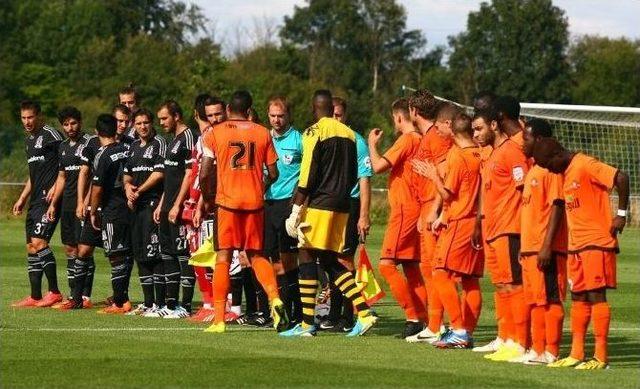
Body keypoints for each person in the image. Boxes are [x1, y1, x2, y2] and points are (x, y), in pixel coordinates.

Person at [280, 89, 377, 337]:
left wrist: (296, 207)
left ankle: (306, 324)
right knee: (329, 261)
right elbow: (353, 173)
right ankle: (364, 313)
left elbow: (308, 172)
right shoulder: (349, 134)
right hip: (343, 205)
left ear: (314, 109)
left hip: (320, 204)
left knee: (305, 255)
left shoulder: (314, 131)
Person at [534, 138, 629, 370]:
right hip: (576, 246)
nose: (549, 170)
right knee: (578, 298)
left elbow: (621, 177)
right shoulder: (563, 173)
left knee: (596, 296)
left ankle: (601, 357)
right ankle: (577, 353)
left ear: (557, 154)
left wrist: (621, 214)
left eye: (548, 164)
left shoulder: (585, 164)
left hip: (597, 243)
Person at [199, 90, 288, 334]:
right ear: (249, 110)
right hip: (255, 204)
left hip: (227, 204)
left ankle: (218, 320)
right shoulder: (262, 133)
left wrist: (208, 199)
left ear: (228, 109)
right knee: (257, 256)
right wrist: (259, 187)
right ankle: (275, 299)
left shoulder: (214, 133)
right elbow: (274, 173)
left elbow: (205, 172)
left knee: (223, 257)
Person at [411, 109, 483, 349]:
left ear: (449, 125)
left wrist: (434, 176)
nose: (438, 131)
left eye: (440, 127)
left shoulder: (458, 157)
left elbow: (447, 193)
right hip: (475, 222)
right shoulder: (480, 152)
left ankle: (459, 329)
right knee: (470, 281)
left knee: (440, 273)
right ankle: (466, 333)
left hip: (460, 222)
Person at [473, 104, 529, 362]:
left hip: (509, 228)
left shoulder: (512, 152)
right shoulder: (494, 153)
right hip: (493, 229)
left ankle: (520, 342)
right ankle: (506, 337)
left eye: (479, 128)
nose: (476, 134)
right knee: (501, 284)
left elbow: (522, 188)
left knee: (513, 285)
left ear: (494, 125)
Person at [367, 98, 425, 339]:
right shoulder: (422, 140)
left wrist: (372, 144)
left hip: (404, 210)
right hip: (416, 208)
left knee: (386, 265)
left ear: (399, 117)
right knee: (412, 268)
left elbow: (378, 165)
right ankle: (427, 319)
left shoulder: (407, 139)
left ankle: (412, 317)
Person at [514, 118, 568, 364]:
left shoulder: (551, 171)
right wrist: (524, 247)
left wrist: (546, 246)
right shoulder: (533, 171)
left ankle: (552, 351)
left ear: (539, 141)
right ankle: (537, 349)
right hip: (530, 249)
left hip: (546, 249)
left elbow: (557, 207)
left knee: (550, 299)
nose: (522, 141)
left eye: (526, 137)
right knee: (535, 301)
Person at [320, 96, 372, 333]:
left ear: (345, 116)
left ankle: (347, 315)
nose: (335, 119)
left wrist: (363, 215)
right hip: (327, 205)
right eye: (332, 115)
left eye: (339, 115)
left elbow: (364, 179)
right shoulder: (324, 138)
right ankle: (333, 313)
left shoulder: (356, 141)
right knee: (328, 259)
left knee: (344, 259)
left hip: (349, 205)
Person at [405, 90, 451, 343]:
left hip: (432, 208)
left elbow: (444, 173)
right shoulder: (428, 137)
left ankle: (438, 326)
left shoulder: (436, 137)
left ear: (413, 111)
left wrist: (436, 210)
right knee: (429, 268)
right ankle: (436, 325)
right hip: (425, 206)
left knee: (436, 269)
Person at [12, 100, 64, 308]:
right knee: (31, 247)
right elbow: (33, 176)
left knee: (40, 242)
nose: (27, 122)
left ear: (39, 116)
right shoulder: (29, 141)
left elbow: (67, 162)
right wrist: (22, 198)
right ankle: (34, 296)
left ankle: (54, 292)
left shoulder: (51, 136)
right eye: (23, 118)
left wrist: (56, 188)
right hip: (34, 202)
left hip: (49, 200)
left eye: (30, 117)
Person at [153, 100, 198, 318]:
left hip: (180, 208)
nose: (161, 122)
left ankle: (186, 306)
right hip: (167, 206)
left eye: (164, 118)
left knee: (183, 255)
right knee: (168, 254)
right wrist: (163, 204)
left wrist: (178, 205)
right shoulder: (172, 141)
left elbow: (189, 175)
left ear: (177, 116)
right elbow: (170, 178)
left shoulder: (189, 137)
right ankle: (171, 305)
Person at [48, 107, 95, 308]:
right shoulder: (63, 146)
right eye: (66, 124)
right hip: (67, 205)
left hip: (83, 205)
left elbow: (94, 175)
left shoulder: (91, 142)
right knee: (70, 248)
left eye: (73, 123)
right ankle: (72, 294)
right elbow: (61, 177)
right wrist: (52, 204)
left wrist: (86, 201)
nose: (70, 127)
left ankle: (84, 296)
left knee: (84, 250)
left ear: (80, 122)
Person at [123, 108, 167, 316]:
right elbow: (127, 174)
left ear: (151, 123)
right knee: (140, 253)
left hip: (152, 204)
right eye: (139, 123)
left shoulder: (159, 143)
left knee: (154, 253)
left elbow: (159, 174)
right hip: (136, 206)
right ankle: (148, 303)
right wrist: (128, 189)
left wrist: (139, 190)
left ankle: (160, 303)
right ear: (134, 125)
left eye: (146, 123)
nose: (143, 127)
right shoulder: (132, 147)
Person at [264, 95, 303, 324]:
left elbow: (307, 173)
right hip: (267, 203)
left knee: (290, 262)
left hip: (288, 204)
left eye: (281, 116)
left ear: (288, 116)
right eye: (273, 116)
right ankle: (279, 311)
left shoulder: (299, 140)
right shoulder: (263, 137)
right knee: (272, 262)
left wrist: (298, 200)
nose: (276, 120)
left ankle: (297, 312)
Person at [89, 114, 132, 314]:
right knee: (127, 254)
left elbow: (97, 188)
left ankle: (120, 302)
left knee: (115, 256)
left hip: (113, 209)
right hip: (131, 207)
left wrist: (94, 210)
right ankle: (123, 297)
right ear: (116, 129)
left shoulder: (102, 154)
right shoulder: (128, 148)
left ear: (97, 132)